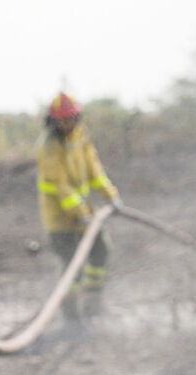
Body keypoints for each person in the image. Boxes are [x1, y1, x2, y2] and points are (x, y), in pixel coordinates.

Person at [35, 92, 122, 319]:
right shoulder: (48, 147)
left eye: (71, 118)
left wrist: (111, 196)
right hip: (60, 220)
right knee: (72, 267)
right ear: (53, 121)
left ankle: (94, 301)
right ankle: (71, 315)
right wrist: (81, 213)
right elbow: (61, 186)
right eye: (62, 120)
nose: (67, 123)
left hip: (86, 216)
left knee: (101, 251)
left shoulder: (81, 139)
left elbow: (95, 172)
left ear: (78, 117)